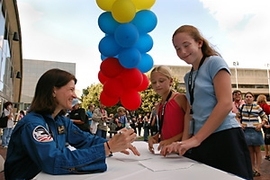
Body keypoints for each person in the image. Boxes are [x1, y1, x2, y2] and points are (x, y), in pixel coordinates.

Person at [4, 68, 139, 180]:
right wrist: (107, 148)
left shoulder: (61, 121)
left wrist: (115, 143)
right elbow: (54, 161)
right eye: (71, 89)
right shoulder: (33, 124)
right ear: (53, 91)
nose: (75, 96)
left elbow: (85, 140)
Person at [161, 25, 253, 180]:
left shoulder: (214, 63)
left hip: (224, 136)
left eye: (186, 45)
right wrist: (183, 143)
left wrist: (196, 139)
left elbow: (225, 103)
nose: (182, 52)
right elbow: (189, 114)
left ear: (199, 43)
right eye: (177, 48)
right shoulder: (188, 77)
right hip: (201, 140)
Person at [148, 66, 188, 154]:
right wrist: (155, 137)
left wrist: (171, 140)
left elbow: (191, 127)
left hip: (182, 149)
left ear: (171, 81)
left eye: (161, 81)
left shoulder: (180, 98)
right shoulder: (159, 105)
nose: (157, 85)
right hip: (167, 150)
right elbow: (165, 129)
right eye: (154, 82)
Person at [239, 92, 268, 177]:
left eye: (250, 97)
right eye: (247, 97)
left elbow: (264, 117)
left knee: (257, 150)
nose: (248, 98)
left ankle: (258, 169)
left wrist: (261, 124)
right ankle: (252, 168)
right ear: (245, 98)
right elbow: (237, 116)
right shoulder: (242, 107)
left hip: (255, 130)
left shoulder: (257, 107)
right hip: (246, 130)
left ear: (253, 98)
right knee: (250, 151)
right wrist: (239, 124)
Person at [256, 94, 270, 161]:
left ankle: (267, 153)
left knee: (266, 139)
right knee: (268, 139)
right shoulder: (266, 106)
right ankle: (268, 154)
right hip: (267, 123)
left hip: (263, 123)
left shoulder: (258, 107)